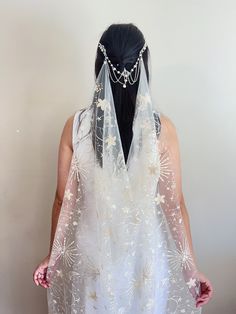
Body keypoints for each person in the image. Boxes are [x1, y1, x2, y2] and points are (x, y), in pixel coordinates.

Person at [33, 23, 213, 313]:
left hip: (95, 263)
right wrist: (191, 269)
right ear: (143, 69)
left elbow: (62, 201)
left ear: (99, 68)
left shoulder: (75, 127)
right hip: (145, 262)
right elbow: (175, 206)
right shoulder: (162, 130)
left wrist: (52, 257)